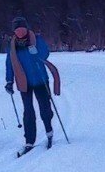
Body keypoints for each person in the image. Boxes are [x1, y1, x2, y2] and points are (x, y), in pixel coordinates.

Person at [4, 16, 62, 156]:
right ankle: (29, 140)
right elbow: (9, 64)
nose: (20, 32)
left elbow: (45, 53)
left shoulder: (36, 39)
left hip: (40, 80)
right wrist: (9, 81)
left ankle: (49, 132)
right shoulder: (12, 46)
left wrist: (36, 51)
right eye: (17, 30)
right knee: (28, 111)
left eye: (22, 29)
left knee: (45, 108)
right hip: (24, 83)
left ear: (26, 28)